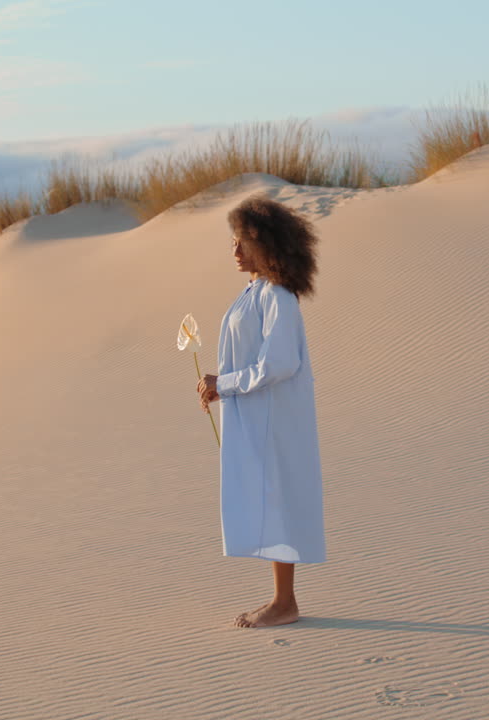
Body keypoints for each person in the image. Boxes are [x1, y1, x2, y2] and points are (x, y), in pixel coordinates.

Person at [196, 194, 325, 629]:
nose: (235, 250)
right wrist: (220, 387)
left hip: (275, 419)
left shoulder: (278, 297)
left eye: (244, 241)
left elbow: (279, 364)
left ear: (266, 243)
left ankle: (284, 602)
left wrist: (226, 384)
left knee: (278, 499)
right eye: (232, 241)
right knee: (268, 499)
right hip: (256, 414)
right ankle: (281, 599)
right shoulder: (255, 291)